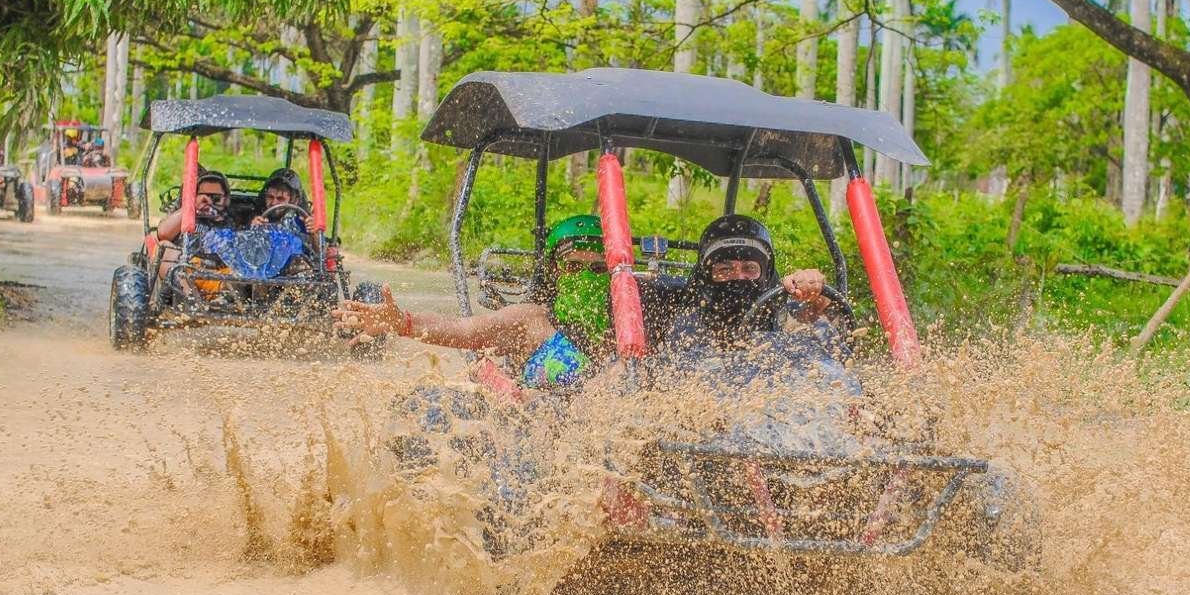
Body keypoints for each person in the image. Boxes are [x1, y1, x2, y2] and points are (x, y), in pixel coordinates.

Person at [333, 214, 612, 388]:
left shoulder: (630, 328)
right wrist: (404, 322)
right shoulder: (530, 320)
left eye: (597, 269)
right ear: (555, 271)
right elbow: (463, 330)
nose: (585, 278)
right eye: (574, 268)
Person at [664, 214, 835, 350]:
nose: (739, 277)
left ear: (765, 274)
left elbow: (816, 315)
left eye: (750, 268)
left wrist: (813, 290)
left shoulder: (778, 308)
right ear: (708, 275)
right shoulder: (687, 315)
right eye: (725, 269)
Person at [155, 171, 232, 244]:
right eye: (204, 195)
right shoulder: (187, 212)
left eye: (216, 197)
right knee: (164, 245)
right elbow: (163, 235)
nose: (210, 201)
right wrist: (192, 207)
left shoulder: (233, 218)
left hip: (217, 254)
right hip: (184, 255)